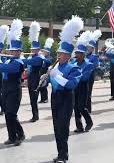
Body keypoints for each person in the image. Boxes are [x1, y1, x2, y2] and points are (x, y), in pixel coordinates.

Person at [49, 16, 83, 163]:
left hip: (66, 98)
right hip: (55, 97)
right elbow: (52, 82)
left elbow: (71, 85)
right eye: (58, 53)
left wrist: (57, 76)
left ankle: (64, 155)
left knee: (63, 126)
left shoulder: (74, 68)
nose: (59, 56)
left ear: (68, 56)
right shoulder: (56, 66)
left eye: (61, 54)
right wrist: (46, 79)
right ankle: (59, 153)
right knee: (56, 127)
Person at [0, 19, 25, 146]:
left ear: (19, 52)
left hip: (14, 89)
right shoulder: (9, 60)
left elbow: (5, 69)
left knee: (11, 114)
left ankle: (20, 134)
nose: (13, 53)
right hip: (6, 88)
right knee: (8, 115)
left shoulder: (18, 63)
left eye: (15, 51)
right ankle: (12, 137)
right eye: (11, 51)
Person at [72, 31, 94, 133]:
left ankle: (89, 121)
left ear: (84, 54)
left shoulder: (89, 64)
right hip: (74, 87)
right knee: (75, 107)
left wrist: (75, 75)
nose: (77, 55)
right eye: (76, 53)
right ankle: (79, 126)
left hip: (83, 87)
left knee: (81, 106)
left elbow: (84, 78)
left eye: (79, 53)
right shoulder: (73, 63)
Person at [25, 21, 44, 122]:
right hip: (31, 78)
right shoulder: (33, 57)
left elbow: (28, 62)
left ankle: (35, 115)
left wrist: (22, 58)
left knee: (34, 98)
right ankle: (34, 115)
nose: (32, 51)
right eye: (32, 49)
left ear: (38, 50)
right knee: (32, 98)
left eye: (34, 49)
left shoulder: (38, 58)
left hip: (35, 78)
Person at [86, 30, 101, 113]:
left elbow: (94, 65)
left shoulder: (94, 57)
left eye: (90, 47)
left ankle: (88, 109)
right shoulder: (83, 55)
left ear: (92, 49)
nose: (88, 48)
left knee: (88, 93)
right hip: (82, 76)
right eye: (87, 46)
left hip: (90, 76)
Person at [38, 38, 54, 103]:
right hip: (41, 72)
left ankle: (46, 98)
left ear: (48, 52)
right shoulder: (42, 57)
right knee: (41, 86)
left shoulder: (49, 57)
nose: (43, 52)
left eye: (45, 51)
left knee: (44, 86)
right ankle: (42, 98)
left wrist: (42, 57)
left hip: (46, 73)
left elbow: (48, 61)